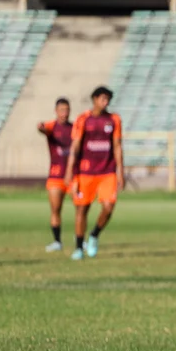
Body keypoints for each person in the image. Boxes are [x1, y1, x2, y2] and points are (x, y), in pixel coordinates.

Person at [64, 87, 123, 261]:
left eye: (108, 99)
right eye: (103, 99)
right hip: (86, 172)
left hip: (107, 171)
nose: (105, 102)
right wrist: (69, 170)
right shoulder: (83, 119)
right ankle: (78, 248)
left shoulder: (114, 119)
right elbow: (75, 146)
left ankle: (95, 234)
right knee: (82, 209)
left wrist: (121, 172)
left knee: (108, 207)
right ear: (94, 99)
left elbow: (118, 146)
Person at [38, 97, 72, 253]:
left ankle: (80, 239)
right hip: (56, 176)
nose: (64, 113)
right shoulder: (52, 127)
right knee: (56, 209)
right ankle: (57, 241)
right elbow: (43, 128)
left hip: (73, 176)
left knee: (81, 208)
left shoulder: (75, 128)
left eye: (66, 110)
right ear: (56, 111)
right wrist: (41, 127)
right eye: (61, 110)